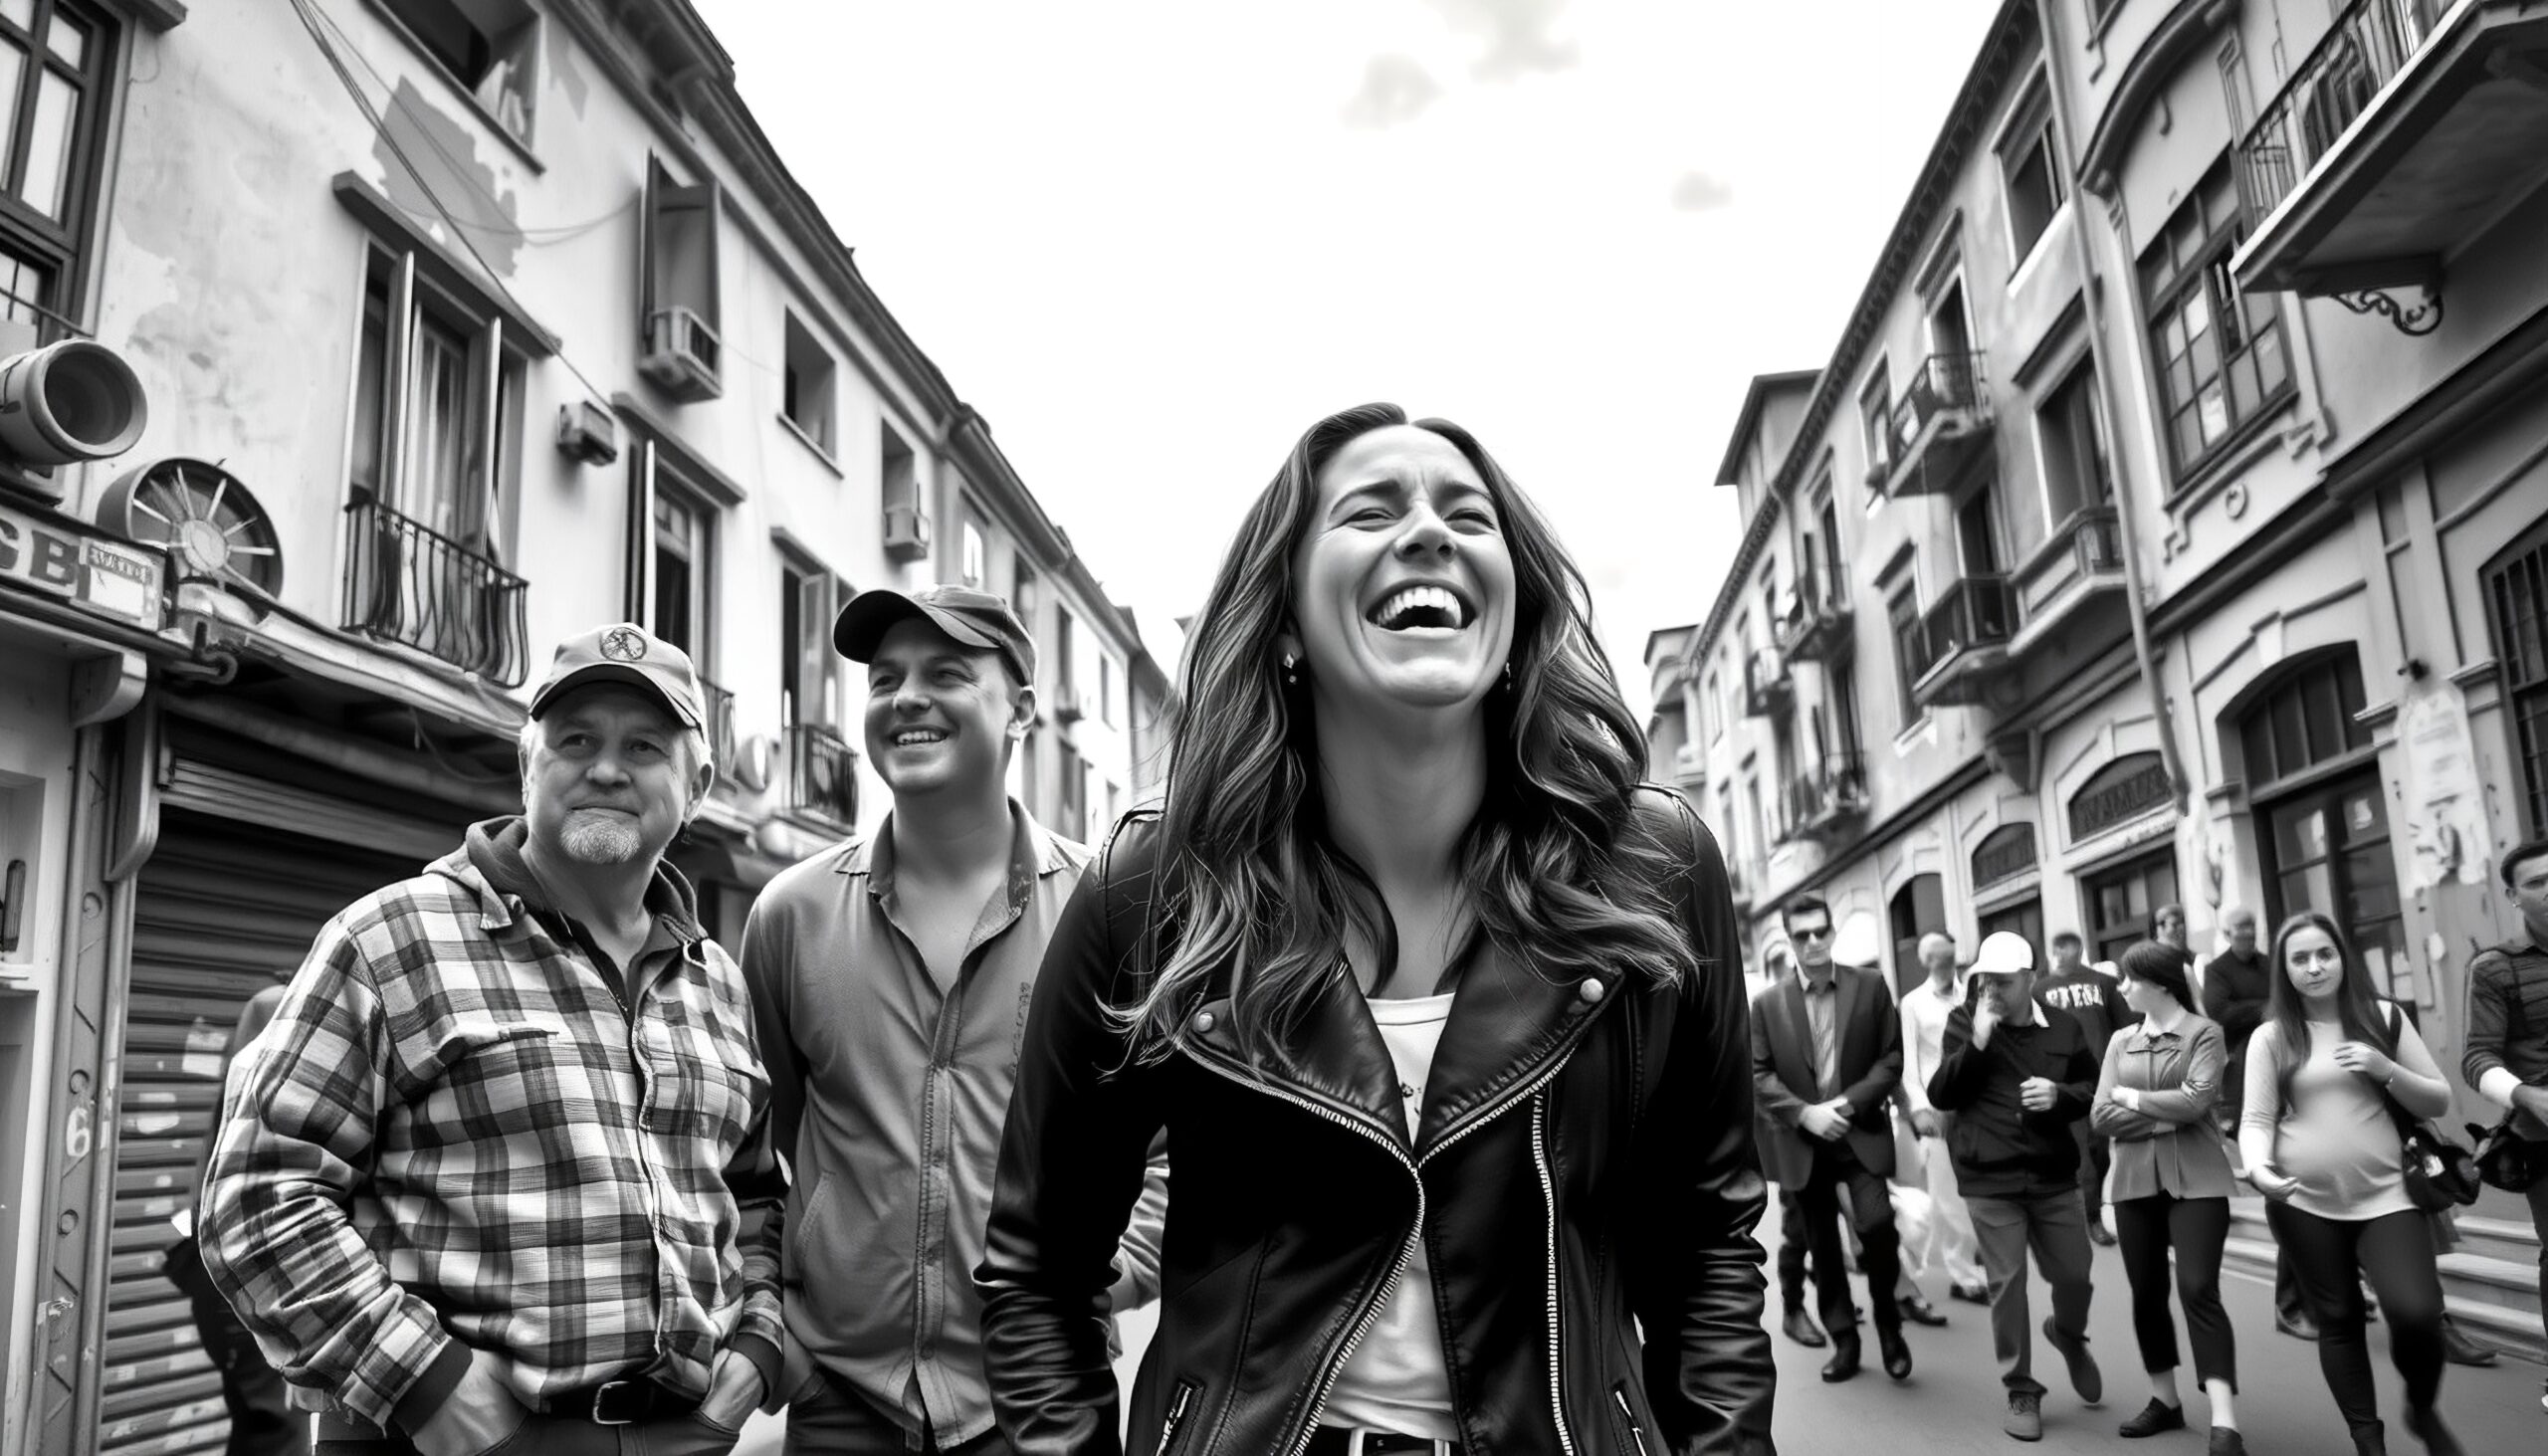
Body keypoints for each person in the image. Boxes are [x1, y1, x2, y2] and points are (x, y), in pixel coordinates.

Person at [975, 404, 1777, 1456]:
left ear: (1513, 615)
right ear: (1286, 620)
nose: (1430, 531)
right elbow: (1037, 1270)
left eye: (1469, 515)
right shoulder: (1149, 889)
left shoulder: (1656, 867)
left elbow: (1705, 1245)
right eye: (1369, 511)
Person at [200, 623, 784, 1455]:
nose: (606, 768)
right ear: (526, 764)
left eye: (645, 746)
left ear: (697, 787)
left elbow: (755, 1195)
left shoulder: (718, 980)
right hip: (444, 1436)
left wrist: (757, 1345)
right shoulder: (389, 937)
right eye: (575, 739)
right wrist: (425, 1383)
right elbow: (257, 1195)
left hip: (682, 1435)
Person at [740, 585, 1166, 1455]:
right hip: (840, 1399)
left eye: (945, 673)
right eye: (884, 678)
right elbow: (762, 1149)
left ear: (1021, 710)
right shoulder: (789, 916)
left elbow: (1176, 1149)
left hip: (1036, 1398)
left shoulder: (1111, 915)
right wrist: (782, 1332)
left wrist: (1109, 1275)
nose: (907, 698)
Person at [2241, 911, 2464, 1456]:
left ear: (2343, 957)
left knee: (2416, 1313)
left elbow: (2439, 1099)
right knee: (2339, 1319)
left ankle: (2421, 1408)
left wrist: (2384, 1068)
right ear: (2284, 970)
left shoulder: (2383, 1018)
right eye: (2300, 959)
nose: (2315, 967)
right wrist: (2258, 1168)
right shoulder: (2272, 1036)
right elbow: (2256, 1119)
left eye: (2325, 954)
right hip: (2303, 1202)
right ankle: (2369, 1440)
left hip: (2388, 1197)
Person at [1928, 931, 2102, 1443]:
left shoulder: (2064, 1027)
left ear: (2030, 979)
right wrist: (1979, 1040)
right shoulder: (1965, 1021)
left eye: (2003, 982)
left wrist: (2060, 1095)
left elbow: (2092, 1088)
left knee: (2075, 1275)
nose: (1992, 991)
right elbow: (1942, 1093)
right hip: (1989, 1177)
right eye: (1985, 981)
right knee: (2007, 1283)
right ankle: (2020, 1386)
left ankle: (2067, 1333)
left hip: (2053, 1175)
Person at [1753, 894, 1912, 1384]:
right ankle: (1844, 1339)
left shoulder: (1870, 985)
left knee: (1878, 1227)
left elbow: (1891, 1058)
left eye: (1821, 930)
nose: (1814, 941)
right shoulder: (1768, 1004)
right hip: (1805, 1144)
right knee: (1822, 1248)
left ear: (1832, 931)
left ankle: (1889, 1322)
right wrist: (1805, 1114)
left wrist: (1845, 1105)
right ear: (1790, 940)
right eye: (1802, 934)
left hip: (1858, 1133)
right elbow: (1758, 1074)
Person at [2090, 941, 2240, 1454]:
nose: (2121, 988)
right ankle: (2165, 1399)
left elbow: (2198, 1100)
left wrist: (2132, 1099)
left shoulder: (2205, 1033)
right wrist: (2166, 1118)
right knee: (2147, 1292)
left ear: (2158, 983)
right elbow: (2100, 1116)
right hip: (2133, 1183)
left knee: (2199, 1288)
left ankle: (2224, 1421)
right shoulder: (2120, 1041)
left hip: (2198, 1180)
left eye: (2129, 979)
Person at [162, 984, 305, 1456]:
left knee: (262, 1423)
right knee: (278, 1428)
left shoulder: (233, 1118)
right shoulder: (268, 1117)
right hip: (258, 1282)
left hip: (227, 1281)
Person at [2462, 836, 2548, 1415]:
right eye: (2537, 883)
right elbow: (2476, 1058)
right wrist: (2525, 1095)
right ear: (2514, 896)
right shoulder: (2495, 967)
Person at [1900, 932, 1989, 1306]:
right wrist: (1919, 1107)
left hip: (1977, 1104)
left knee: (1981, 1188)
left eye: (1947, 953)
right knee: (1948, 1194)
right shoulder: (1913, 1003)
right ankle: (1965, 1277)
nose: (1943, 960)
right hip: (1939, 1107)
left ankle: (1979, 1260)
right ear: (1924, 960)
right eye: (1934, 954)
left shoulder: (1972, 994)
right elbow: (1909, 1061)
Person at [2037, 930, 2136, 1247]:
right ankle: (2091, 1217)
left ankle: (2081, 1208)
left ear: (2079, 948)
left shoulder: (2104, 984)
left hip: (2102, 1079)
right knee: (2084, 1156)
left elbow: (2126, 1028)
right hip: (2063, 1084)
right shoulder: (2040, 990)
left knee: (2100, 1151)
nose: (2063, 952)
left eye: (2068, 946)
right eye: (2058, 947)